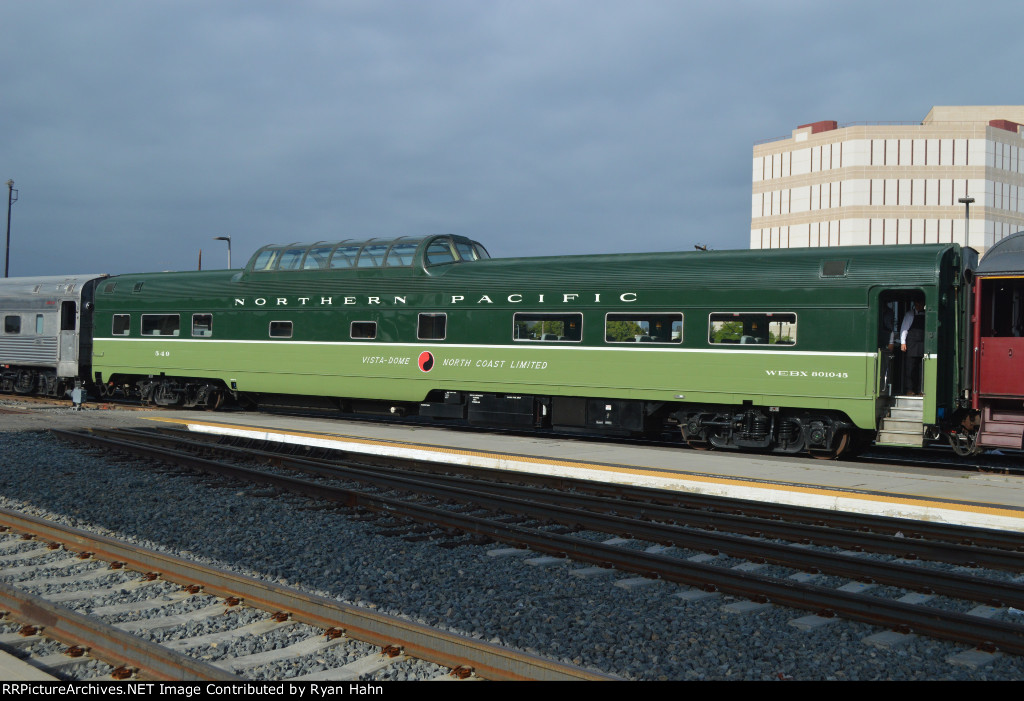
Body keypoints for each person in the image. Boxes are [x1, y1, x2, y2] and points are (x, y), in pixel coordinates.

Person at [900, 300, 925, 395]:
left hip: (922, 343)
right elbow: (904, 329)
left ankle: (920, 390)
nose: (919, 306)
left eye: (921, 304)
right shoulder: (910, 315)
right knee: (910, 368)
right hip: (911, 343)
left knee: (921, 368)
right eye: (917, 304)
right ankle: (909, 389)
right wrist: (903, 342)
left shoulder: (926, 314)